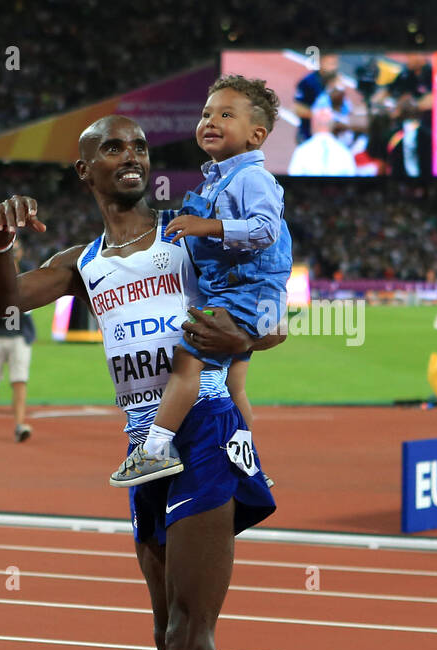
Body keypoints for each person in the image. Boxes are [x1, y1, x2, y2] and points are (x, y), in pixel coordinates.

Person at [0, 114, 280, 650]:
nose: (131, 158)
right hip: (144, 451)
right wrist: (0, 246)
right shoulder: (81, 263)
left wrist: (244, 336)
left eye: (141, 149)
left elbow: (266, 307)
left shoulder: (189, 239)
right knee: (167, 637)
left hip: (203, 426)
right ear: (84, 171)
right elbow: (4, 308)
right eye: (113, 149)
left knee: (192, 640)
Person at [110, 76, 291, 486]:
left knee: (186, 360)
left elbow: (266, 230)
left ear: (256, 135)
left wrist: (205, 226)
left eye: (226, 114)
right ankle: (249, 463)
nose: (210, 121)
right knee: (233, 385)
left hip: (244, 292)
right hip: (236, 291)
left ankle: (155, 448)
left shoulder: (252, 178)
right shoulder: (217, 179)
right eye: (206, 113)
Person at [0, 240, 35, 442]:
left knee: (19, 380)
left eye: (16, 249)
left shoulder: (27, 271)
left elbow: (31, 299)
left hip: (18, 335)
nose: (13, 253)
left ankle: (19, 424)